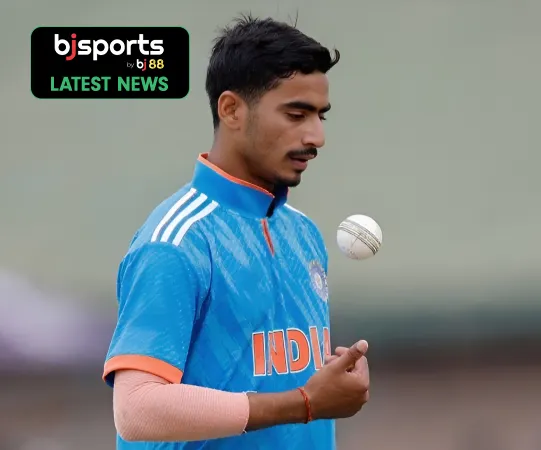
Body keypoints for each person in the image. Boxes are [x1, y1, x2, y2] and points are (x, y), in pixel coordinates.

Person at [102, 14, 370, 449]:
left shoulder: (303, 232)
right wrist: (304, 402)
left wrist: (331, 384)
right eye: (296, 114)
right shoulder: (177, 242)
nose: (316, 136)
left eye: (320, 116)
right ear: (231, 110)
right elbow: (137, 411)